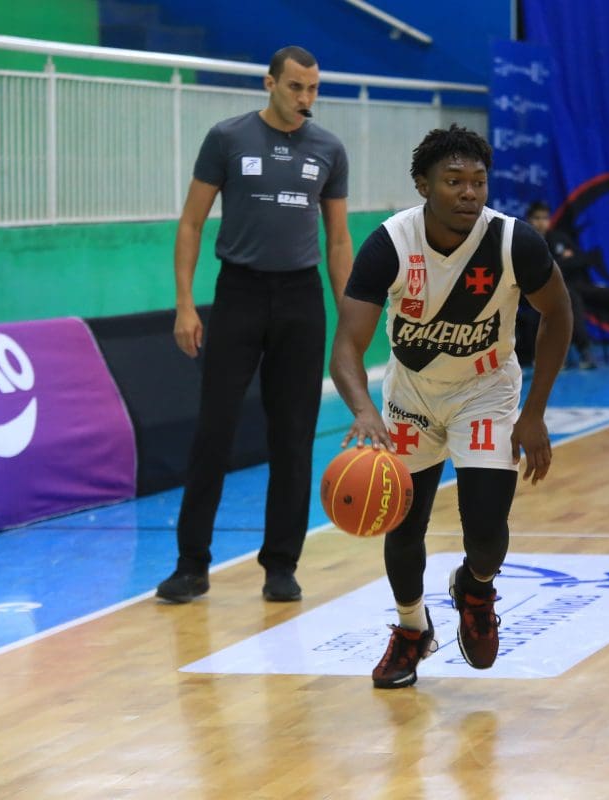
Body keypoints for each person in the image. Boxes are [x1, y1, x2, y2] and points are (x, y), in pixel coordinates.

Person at [329, 125, 572, 688]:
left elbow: (558, 314)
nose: (469, 192)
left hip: (484, 391)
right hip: (411, 394)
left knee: (486, 529)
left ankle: (476, 588)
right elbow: (346, 346)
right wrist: (365, 412)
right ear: (423, 185)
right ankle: (413, 629)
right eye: (454, 181)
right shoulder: (391, 244)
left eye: (478, 182)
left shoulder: (514, 242)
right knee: (403, 521)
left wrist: (534, 412)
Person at [155, 46, 353, 604]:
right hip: (238, 294)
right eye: (295, 87)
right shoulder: (227, 138)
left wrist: (350, 320)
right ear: (270, 84)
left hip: (300, 300)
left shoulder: (330, 149)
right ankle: (191, 565)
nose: (305, 99)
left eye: (313, 89)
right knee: (213, 433)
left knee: (292, 438)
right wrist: (185, 304)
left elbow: (338, 240)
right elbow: (192, 223)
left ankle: (281, 566)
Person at [525, 201, 609, 367]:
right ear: (528, 220)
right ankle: (585, 351)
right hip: (547, 292)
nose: (541, 222)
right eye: (537, 218)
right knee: (571, 297)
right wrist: (563, 261)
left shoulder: (560, 238)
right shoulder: (527, 242)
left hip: (580, 285)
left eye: (545, 218)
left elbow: (583, 260)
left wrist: (559, 263)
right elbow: (541, 271)